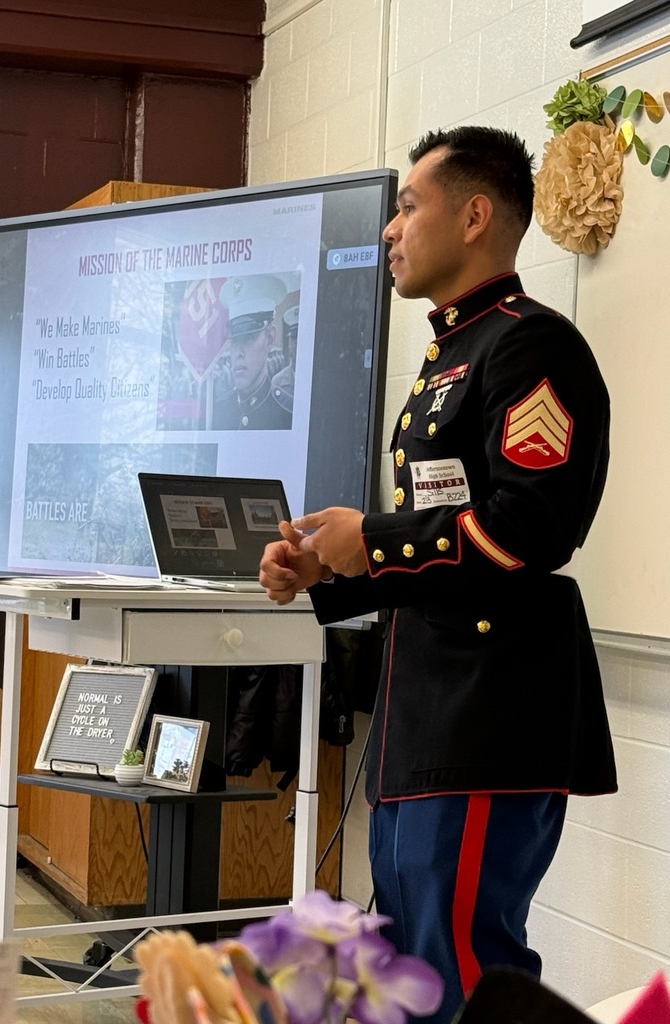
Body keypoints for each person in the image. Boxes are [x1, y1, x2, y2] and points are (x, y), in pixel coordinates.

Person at [259, 126, 617, 1023]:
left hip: (491, 712)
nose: (390, 228)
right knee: (413, 964)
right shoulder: (448, 358)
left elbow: (527, 531)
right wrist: (323, 571)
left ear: (475, 215)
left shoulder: (532, 349)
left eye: (409, 205)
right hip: (428, 712)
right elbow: (442, 542)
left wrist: (371, 542)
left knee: (462, 963)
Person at [211, 274, 293, 430]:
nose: (238, 353)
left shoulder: (288, 413)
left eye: (248, 338)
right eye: (235, 340)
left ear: (269, 338)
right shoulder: (218, 411)